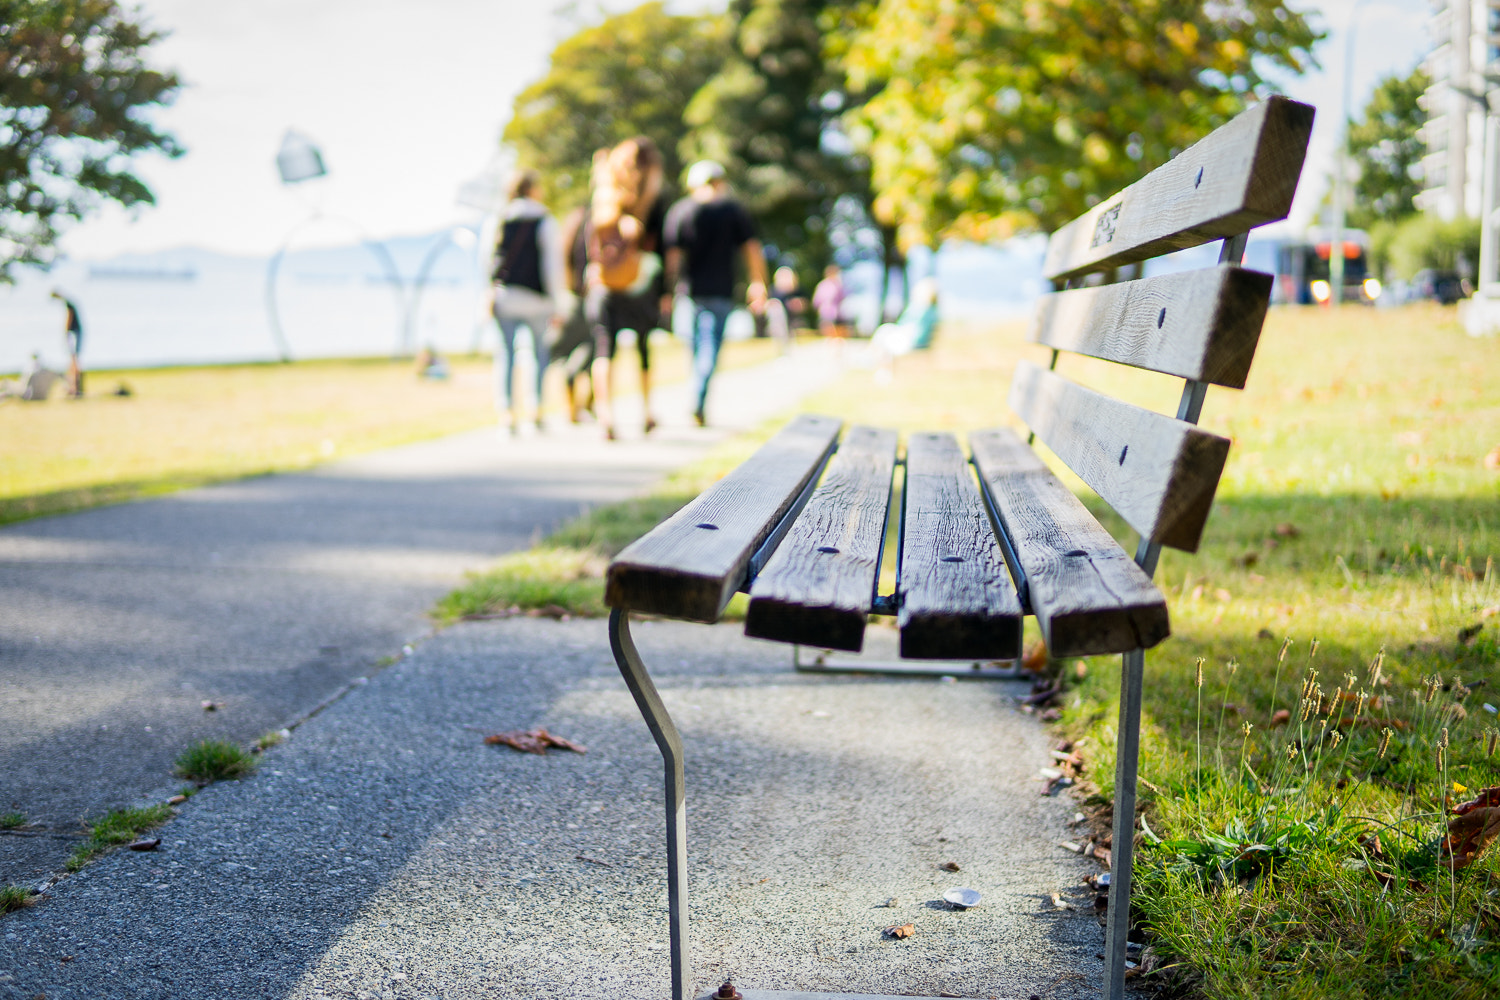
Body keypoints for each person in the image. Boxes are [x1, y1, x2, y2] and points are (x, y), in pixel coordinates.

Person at [663, 159, 768, 427]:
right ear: (719, 182)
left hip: (689, 293)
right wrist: (758, 283)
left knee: (695, 349)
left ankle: (695, 400)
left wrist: (667, 291)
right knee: (709, 349)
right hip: (720, 291)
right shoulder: (732, 210)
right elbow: (752, 250)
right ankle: (698, 401)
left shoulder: (681, 211)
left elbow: (673, 257)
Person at [586, 137, 667, 440]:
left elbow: (589, 237)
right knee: (644, 348)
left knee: (604, 347)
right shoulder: (652, 197)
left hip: (604, 280)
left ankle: (606, 414)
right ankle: (646, 412)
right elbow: (662, 244)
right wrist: (667, 290)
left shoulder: (603, 194)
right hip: (640, 281)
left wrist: (592, 268)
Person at [491, 169, 567, 434]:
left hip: (505, 296)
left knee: (506, 355)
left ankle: (507, 413)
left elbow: (487, 262)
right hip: (536, 298)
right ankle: (535, 411)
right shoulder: (543, 219)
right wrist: (558, 302)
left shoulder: (500, 219)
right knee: (538, 356)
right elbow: (552, 266)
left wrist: (487, 294)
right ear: (532, 189)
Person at [764, 265, 805, 354]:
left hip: (792, 318)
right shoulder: (774, 291)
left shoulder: (796, 291)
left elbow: (803, 304)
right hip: (778, 320)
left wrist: (797, 304)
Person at [50, 290, 83, 397]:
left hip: (73, 333)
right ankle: (74, 386)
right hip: (75, 333)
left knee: (73, 360)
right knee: (73, 361)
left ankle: (75, 387)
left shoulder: (68, 304)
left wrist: (65, 333)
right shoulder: (69, 303)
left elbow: (68, 320)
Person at [811, 264, 847, 340]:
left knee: (832, 333)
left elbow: (816, 302)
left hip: (831, 313)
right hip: (827, 313)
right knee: (828, 332)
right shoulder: (828, 285)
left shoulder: (835, 285)